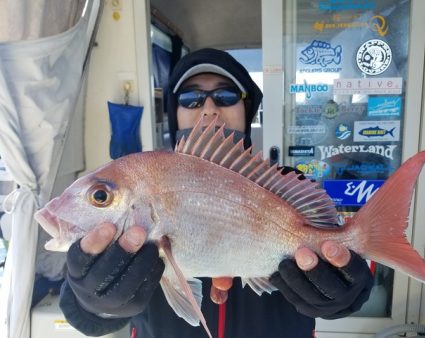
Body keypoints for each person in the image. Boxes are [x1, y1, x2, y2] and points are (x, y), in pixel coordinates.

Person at [59, 48, 374, 338]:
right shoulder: (142, 183)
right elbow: (83, 315)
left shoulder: (289, 185)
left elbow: (343, 270)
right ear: (174, 112)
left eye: (225, 96)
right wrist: (93, 301)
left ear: (246, 108)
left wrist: (345, 293)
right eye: (191, 98)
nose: (208, 109)